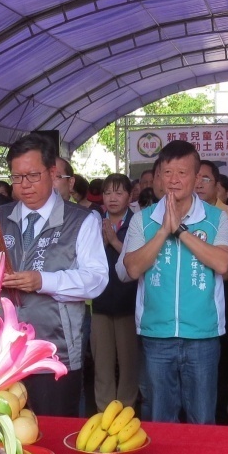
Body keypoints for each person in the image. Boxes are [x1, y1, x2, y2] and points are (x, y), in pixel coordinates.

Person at [0, 133, 109, 415]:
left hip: (56, 346)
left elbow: (96, 279)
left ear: (53, 173)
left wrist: (43, 281)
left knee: (54, 428)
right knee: (3, 430)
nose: (24, 186)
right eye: (17, 178)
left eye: (32, 176)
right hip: (0, 349)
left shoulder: (81, 220)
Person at [120, 141, 228, 424]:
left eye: (182, 173)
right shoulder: (143, 220)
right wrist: (162, 232)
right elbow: (132, 268)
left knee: (202, 418)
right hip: (157, 335)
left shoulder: (217, 218)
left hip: (203, 335)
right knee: (161, 418)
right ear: (158, 176)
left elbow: (221, 263)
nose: (173, 180)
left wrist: (180, 232)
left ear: (196, 179)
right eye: (167, 172)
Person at [90, 173, 139, 411]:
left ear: (130, 196)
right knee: (103, 364)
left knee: (130, 363)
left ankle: (126, 412)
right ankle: (104, 412)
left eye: (119, 193)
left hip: (129, 303)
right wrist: (100, 240)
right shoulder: (94, 222)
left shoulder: (138, 222)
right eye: (108, 192)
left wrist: (115, 242)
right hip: (99, 302)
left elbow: (139, 261)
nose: (112, 198)